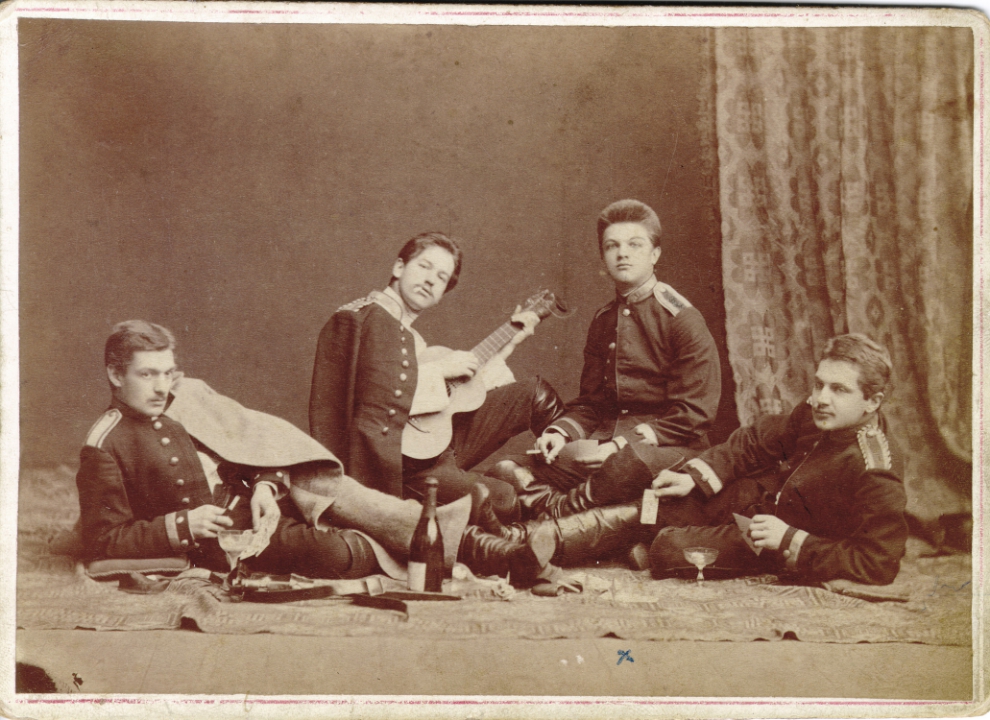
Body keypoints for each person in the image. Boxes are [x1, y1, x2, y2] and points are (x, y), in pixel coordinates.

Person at [76, 321, 553, 586]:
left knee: (362, 502)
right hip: (231, 537)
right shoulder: (105, 445)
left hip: (269, 499)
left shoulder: (188, 395)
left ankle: (498, 553)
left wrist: (266, 486)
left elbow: (250, 445)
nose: (163, 387)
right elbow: (104, 539)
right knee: (342, 551)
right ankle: (478, 550)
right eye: (147, 375)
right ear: (116, 375)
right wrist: (184, 525)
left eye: (167, 373)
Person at [310, 232, 563, 523]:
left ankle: (574, 469)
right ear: (399, 267)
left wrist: (509, 342)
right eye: (424, 266)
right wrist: (440, 370)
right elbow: (371, 398)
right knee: (502, 499)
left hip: (431, 448)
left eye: (441, 277)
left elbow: (460, 391)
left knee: (532, 393)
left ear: (443, 292)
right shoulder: (365, 317)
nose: (431, 280)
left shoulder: (410, 337)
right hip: (394, 469)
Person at [491, 199, 721, 519]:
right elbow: (592, 404)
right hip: (605, 446)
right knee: (506, 469)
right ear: (603, 257)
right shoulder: (603, 321)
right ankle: (582, 519)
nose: (622, 253)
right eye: (612, 246)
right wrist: (558, 433)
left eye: (634, 244)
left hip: (668, 449)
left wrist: (621, 446)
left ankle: (559, 513)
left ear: (655, 254)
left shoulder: (682, 318)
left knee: (624, 466)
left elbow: (694, 414)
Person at [643, 334, 908, 585]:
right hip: (766, 504)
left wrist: (788, 539)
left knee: (670, 549)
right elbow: (758, 440)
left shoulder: (875, 470)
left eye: (839, 389)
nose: (821, 399)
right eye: (819, 385)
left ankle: (645, 547)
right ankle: (638, 536)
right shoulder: (819, 413)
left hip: (781, 541)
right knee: (662, 505)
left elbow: (878, 562)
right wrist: (694, 477)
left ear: (872, 402)